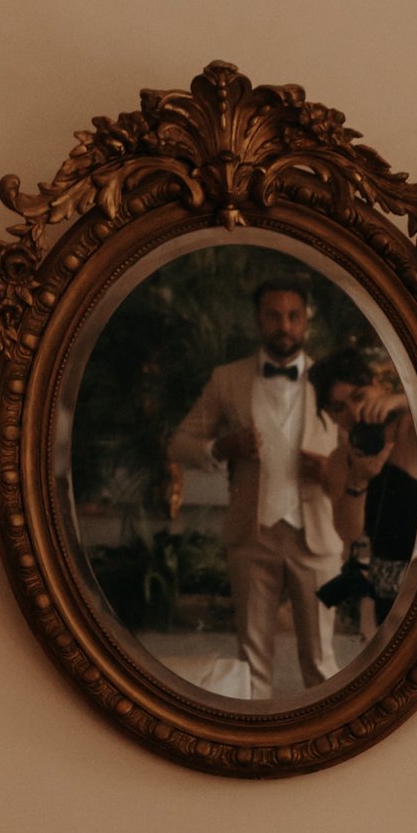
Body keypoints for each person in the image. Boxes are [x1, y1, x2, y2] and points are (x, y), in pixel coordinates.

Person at [164, 277, 345, 693]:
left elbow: (362, 454)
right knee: (252, 660)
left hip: (316, 538)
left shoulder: (332, 379)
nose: (285, 325)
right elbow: (180, 443)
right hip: (252, 536)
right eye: (274, 316)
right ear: (258, 320)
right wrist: (220, 448)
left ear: (306, 321)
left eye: (293, 316)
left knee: (322, 660)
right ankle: (254, 748)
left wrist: (333, 471)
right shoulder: (227, 379)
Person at [311, 350, 417, 645]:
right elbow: (348, 531)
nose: (353, 412)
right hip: (386, 592)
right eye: (338, 408)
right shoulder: (340, 460)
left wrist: (402, 400)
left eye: (360, 396)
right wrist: (357, 481)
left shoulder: (412, 426)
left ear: (378, 385)